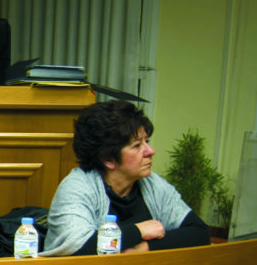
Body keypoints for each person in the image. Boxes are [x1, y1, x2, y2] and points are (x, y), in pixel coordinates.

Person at [42, 100, 211, 256]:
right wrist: (138, 231)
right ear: (108, 159)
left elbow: (200, 233)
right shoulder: (77, 186)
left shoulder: (153, 185)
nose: (150, 151)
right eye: (137, 146)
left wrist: (145, 248)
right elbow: (78, 247)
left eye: (147, 141)